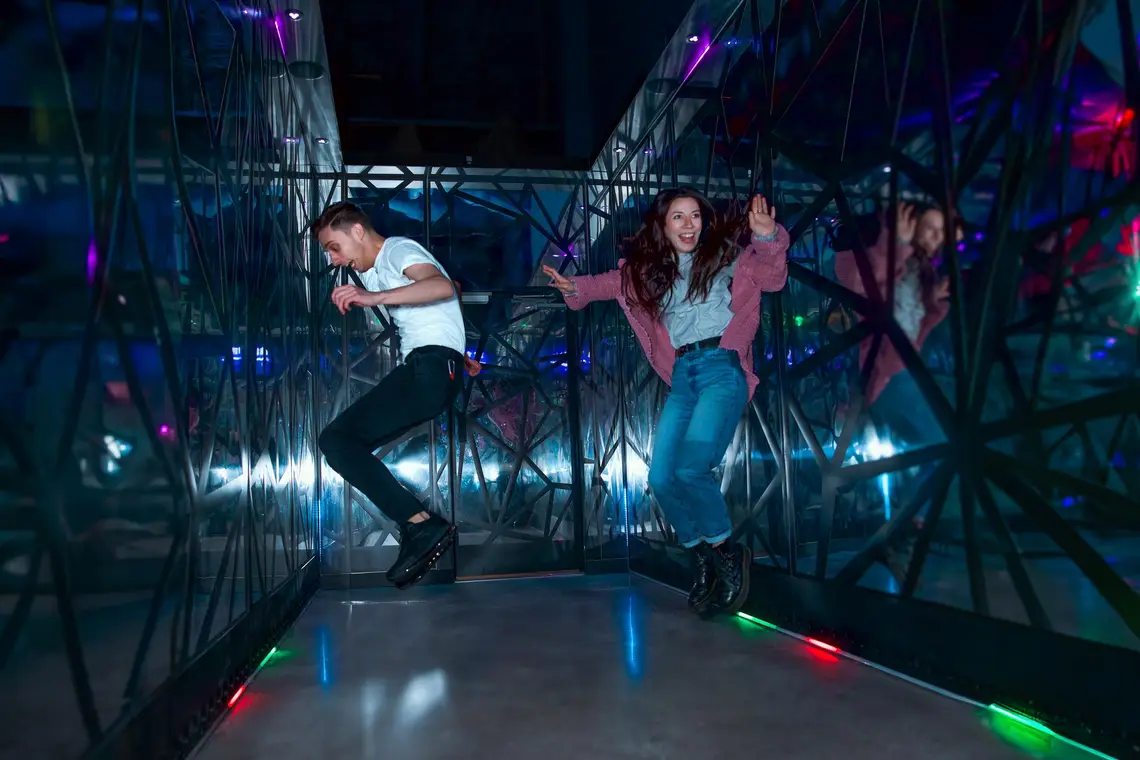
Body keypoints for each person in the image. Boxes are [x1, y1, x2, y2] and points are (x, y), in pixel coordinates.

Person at [544, 188, 789, 615]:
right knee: (660, 478)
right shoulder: (648, 272)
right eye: (678, 217)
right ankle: (703, 557)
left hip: (720, 368)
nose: (689, 224)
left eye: (695, 216)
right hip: (683, 377)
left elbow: (772, 275)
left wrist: (768, 237)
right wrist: (574, 287)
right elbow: (607, 284)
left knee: (692, 468)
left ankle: (728, 554)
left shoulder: (726, 258)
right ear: (662, 225)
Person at [313, 201, 478, 590]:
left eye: (334, 247)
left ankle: (421, 525)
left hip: (429, 369)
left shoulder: (397, 250)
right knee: (343, 443)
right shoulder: (378, 271)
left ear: (356, 231)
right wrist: (457, 349)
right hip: (435, 367)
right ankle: (419, 525)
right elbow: (447, 290)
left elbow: (439, 286)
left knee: (337, 440)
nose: (335, 260)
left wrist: (372, 299)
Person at [833, 201, 957, 581]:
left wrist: (935, 305)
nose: (938, 240)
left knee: (935, 450)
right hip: (889, 376)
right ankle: (902, 524)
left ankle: (899, 525)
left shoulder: (919, 269)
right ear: (911, 222)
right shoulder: (880, 253)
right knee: (946, 445)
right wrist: (897, 244)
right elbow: (866, 297)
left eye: (943, 235)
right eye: (933, 229)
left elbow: (914, 332)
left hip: (906, 372)